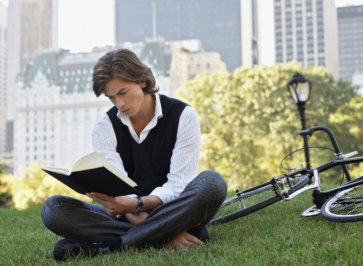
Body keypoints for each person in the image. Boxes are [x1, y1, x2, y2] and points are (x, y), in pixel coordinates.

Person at [41, 48, 227, 261]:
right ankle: (166, 237)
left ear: (142, 81)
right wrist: (165, 232)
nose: (119, 104)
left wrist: (137, 204)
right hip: (133, 216)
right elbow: (120, 198)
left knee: (213, 183)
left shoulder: (183, 116)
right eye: (111, 97)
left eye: (123, 92)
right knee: (53, 209)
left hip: (175, 209)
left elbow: (178, 186)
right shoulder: (104, 128)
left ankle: (107, 248)